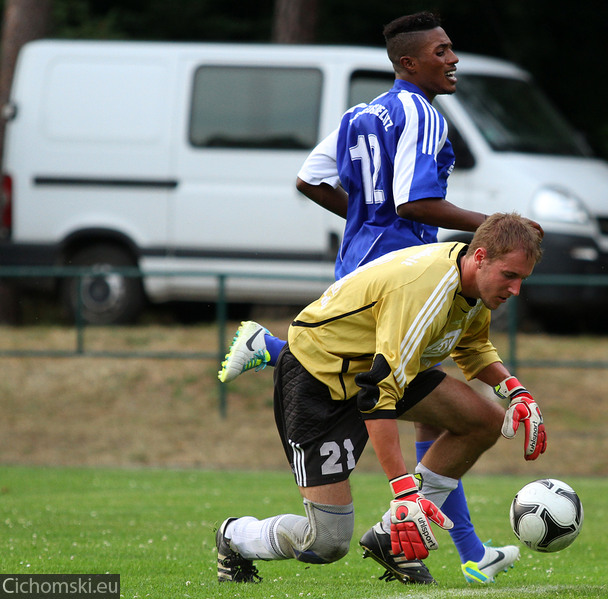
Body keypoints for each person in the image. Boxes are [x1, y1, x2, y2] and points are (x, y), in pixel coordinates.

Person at [217, 11, 541, 584]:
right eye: (441, 51)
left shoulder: (359, 114)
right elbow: (415, 203)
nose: (453, 59)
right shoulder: (424, 115)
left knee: (464, 420)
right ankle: (426, 533)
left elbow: (308, 179)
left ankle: (420, 538)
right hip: (396, 277)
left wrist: (361, 222)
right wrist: (491, 226)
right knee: (329, 536)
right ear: (409, 63)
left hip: (359, 270)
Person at [215, 213, 547, 586]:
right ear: (481, 256)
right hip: (318, 379)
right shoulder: (428, 291)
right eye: (510, 276)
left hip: (369, 370)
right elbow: (377, 394)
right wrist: (403, 490)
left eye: (522, 279)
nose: (516, 289)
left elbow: (471, 346)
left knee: (484, 421)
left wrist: (515, 389)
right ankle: (235, 536)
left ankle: (391, 537)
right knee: (326, 542)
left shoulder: (472, 282)